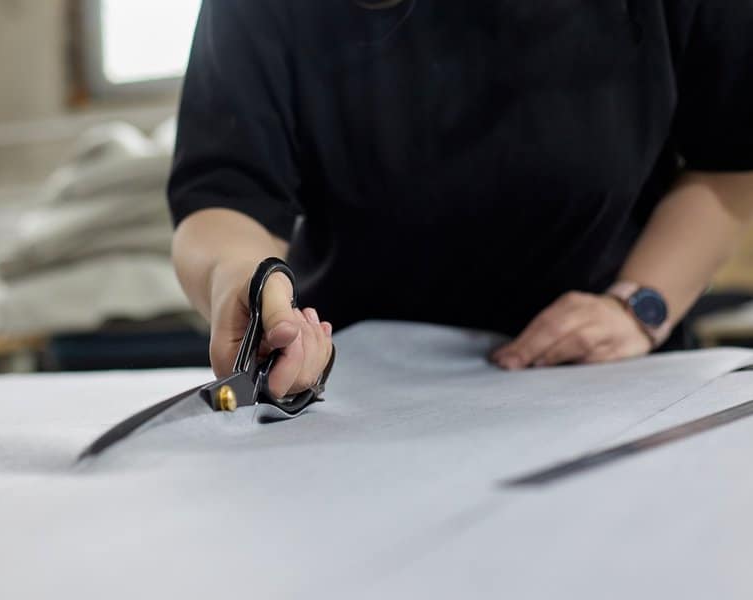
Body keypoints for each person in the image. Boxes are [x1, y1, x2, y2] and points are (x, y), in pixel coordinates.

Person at [167, 0, 753, 397]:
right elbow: (226, 193)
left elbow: (731, 165)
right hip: (349, 389)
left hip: (609, 381)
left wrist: (637, 308)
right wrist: (242, 278)